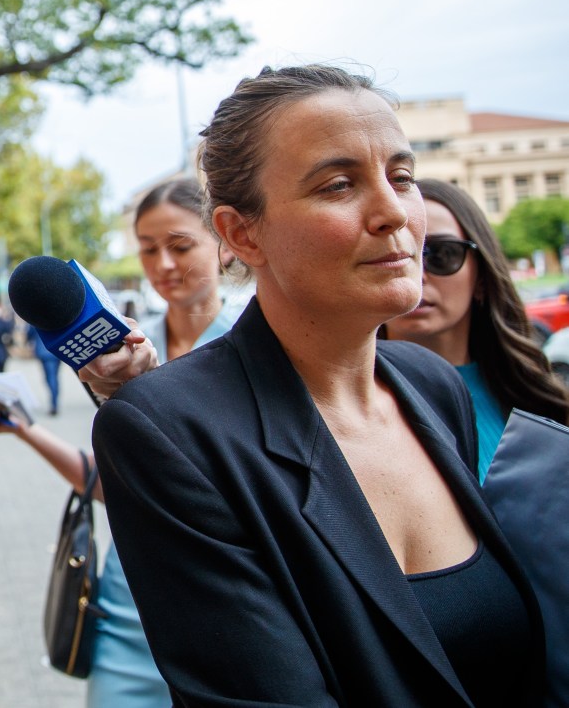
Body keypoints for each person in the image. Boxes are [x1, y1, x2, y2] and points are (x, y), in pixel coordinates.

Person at [92, 64, 545, 706]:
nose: (393, 213)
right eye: (339, 185)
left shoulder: (432, 386)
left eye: (402, 176)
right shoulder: (170, 431)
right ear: (241, 233)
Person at [0, 178, 234, 708]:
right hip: (129, 604)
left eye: (180, 245)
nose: (164, 265)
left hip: (228, 603)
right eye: (148, 249)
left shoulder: (258, 345)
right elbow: (115, 484)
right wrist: (24, 430)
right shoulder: (122, 344)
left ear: (225, 240)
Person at [384, 178, 569, 482]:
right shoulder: (344, 406)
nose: (416, 274)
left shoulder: (533, 397)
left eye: (441, 254)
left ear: (481, 277)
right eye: (398, 254)